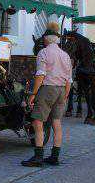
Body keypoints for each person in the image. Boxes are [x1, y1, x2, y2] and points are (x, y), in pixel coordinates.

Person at [22, 21, 72, 167]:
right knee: (56, 122)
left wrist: (33, 94)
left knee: (38, 122)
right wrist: (66, 94)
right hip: (62, 89)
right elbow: (69, 79)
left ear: (45, 39)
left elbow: (40, 75)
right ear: (57, 39)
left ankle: (38, 157)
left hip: (47, 89)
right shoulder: (65, 55)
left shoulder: (43, 52)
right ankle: (54, 157)